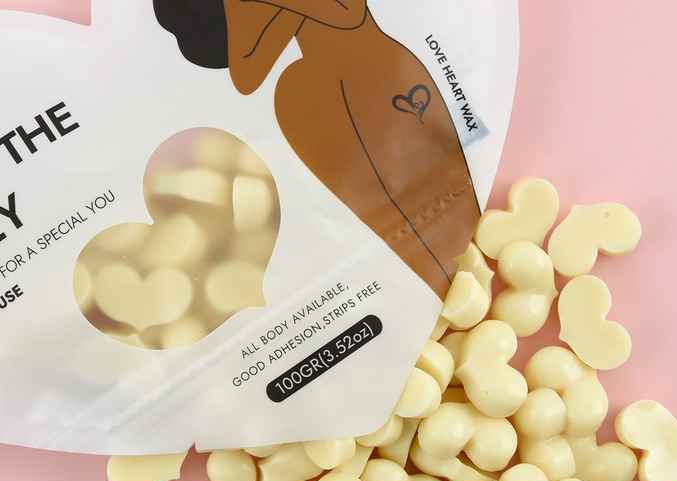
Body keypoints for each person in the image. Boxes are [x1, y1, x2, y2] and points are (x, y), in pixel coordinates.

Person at [154, 0, 481, 295]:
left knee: (448, 195)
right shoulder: (295, 86)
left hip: (378, 72)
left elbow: (350, 12)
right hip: (323, 92)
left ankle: (477, 273)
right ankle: (442, 301)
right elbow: (247, 73)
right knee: (394, 226)